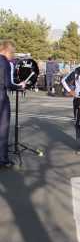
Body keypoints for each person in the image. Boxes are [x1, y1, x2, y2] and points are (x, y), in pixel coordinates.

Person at [0, 40, 26, 169]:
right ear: (6, 50)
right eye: (12, 53)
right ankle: (3, 160)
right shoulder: (4, 62)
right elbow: (7, 84)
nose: (13, 56)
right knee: (3, 130)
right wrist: (19, 86)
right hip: (1, 99)